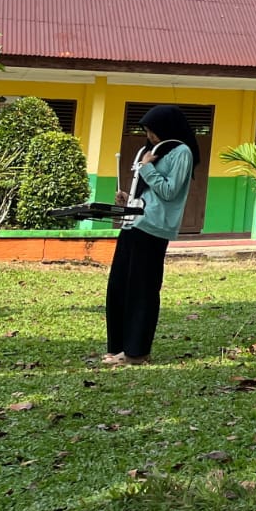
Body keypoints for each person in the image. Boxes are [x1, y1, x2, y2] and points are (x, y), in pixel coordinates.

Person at [103, 105, 199, 366]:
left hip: (153, 228)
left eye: (153, 130)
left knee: (142, 290)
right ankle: (119, 347)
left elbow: (169, 191)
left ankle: (137, 351)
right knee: (120, 287)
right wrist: (128, 200)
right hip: (133, 223)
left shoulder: (182, 152)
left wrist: (147, 169)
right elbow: (149, 192)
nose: (150, 136)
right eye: (147, 131)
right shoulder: (152, 152)